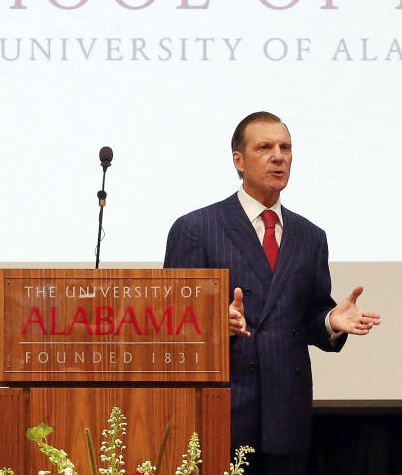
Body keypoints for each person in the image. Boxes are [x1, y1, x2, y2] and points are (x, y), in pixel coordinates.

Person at [163, 112, 380, 475]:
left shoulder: (310, 236)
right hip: (222, 409)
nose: (279, 156)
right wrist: (215, 322)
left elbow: (307, 316)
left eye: (286, 148)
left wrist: (330, 320)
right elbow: (170, 319)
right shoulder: (196, 228)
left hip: (286, 412)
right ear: (239, 160)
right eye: (265, 147)